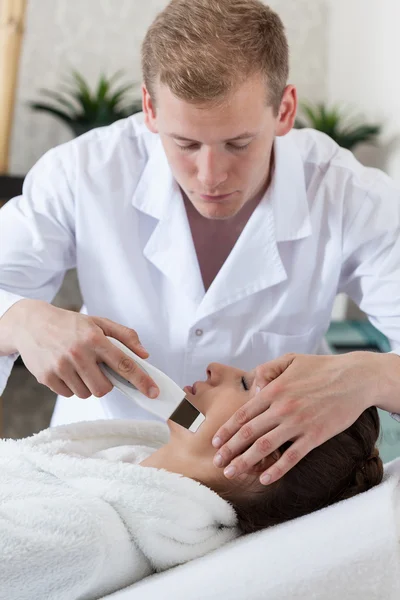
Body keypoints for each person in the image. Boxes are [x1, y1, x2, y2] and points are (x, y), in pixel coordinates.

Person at [0, 0, 400, 488]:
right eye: (186, 144)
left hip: (256, 504)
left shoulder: (349, 196)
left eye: (239, 143)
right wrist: (18, 320)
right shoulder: (82, 173)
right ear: (149, 109)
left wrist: (375, 375)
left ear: (285, 110)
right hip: (96, 476)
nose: (211, 177)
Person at [0, 362, 383, 599]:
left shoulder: (86, 537)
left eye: (246, 384)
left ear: (260, 452)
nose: (216, 367)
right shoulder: (118, 462)